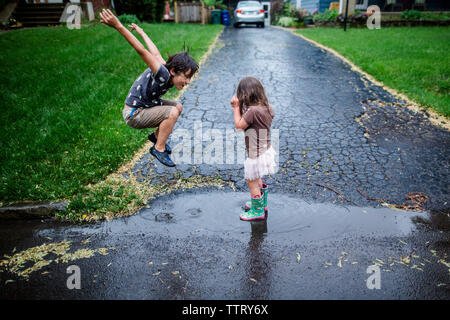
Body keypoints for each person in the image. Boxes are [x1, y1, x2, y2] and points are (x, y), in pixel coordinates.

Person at [99, 9, 198, 167]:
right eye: (186, 76)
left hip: (146, 106)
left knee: (178, 106)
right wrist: (118, 26)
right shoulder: (163, 74)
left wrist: (142, 32)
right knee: (172, 112)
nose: (187, 81)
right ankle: (159, 148)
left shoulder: (166, 70)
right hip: (134, 113)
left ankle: (155, 137)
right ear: (173, 71)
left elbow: (154, 51)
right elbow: (142, 51)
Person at [230, 77, 277, 221]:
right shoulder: (267, 108)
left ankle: (257, 211)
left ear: (245, 95)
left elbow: (239, 125)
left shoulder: (252, 112)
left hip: (255, 155)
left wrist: (236, 108)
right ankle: (262, 203)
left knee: (252, 181)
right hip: (266, 150)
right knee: (257, 178)